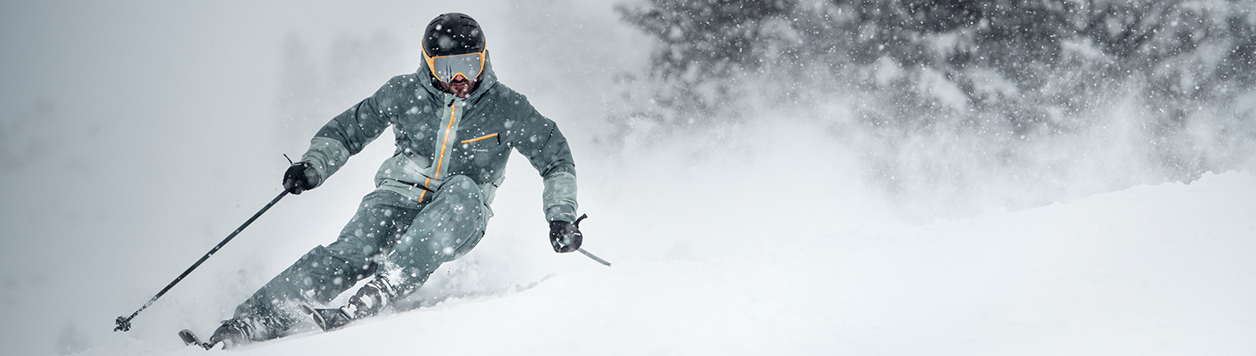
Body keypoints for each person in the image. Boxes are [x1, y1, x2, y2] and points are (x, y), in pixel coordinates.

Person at [204, 12, 583, 348]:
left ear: (484, 59)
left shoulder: (506, 106)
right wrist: (313, 165)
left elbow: (556, 157)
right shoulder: (403, 93)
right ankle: (254, 319)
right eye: (449, 68)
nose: (461, 79)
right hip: (398, 197)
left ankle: (384, 286)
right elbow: (348, 130)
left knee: (462, 188)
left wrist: (561, 216)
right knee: (350, 253)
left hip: (459, 212)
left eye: (470, 64)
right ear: (428, 63)